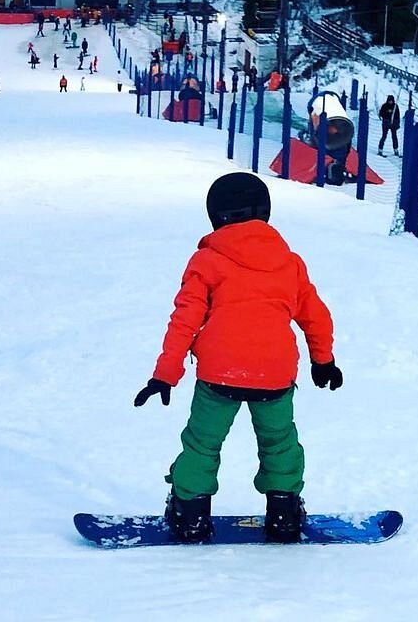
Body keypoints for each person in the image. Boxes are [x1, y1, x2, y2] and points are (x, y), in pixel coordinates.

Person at [134, 172, 341, 545]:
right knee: (280, 442)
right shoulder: (289, 263)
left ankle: (190, 515)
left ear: (215, 215)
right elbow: (316, 315)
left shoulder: (207, 261)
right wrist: (322, 360)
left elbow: (185, 320)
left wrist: (165, 375)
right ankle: (284, 513)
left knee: (202, 443)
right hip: (275, 375)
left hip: (219, 375)